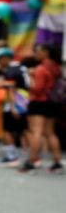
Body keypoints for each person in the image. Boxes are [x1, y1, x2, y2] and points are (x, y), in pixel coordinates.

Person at [21, 43, 63, 174]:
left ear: (46, 52)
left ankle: (32, 161)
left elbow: (37, 89)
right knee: (50, 132)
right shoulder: (57, 68)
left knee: (36, 132)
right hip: (52, 102)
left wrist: (31, 77)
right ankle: (57, 162)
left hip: (39, 102)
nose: (36, 54)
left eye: (38, 51)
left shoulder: (40, 69)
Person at [0, 48, 29, 166]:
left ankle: (11, 156)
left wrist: (13, 107)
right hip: (26, 100)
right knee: (24, 130)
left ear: (5, 58)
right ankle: (29, 157)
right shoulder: (22, 68)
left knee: (8, 130)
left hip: (16, 102)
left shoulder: (11, 71)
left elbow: (11, 90)